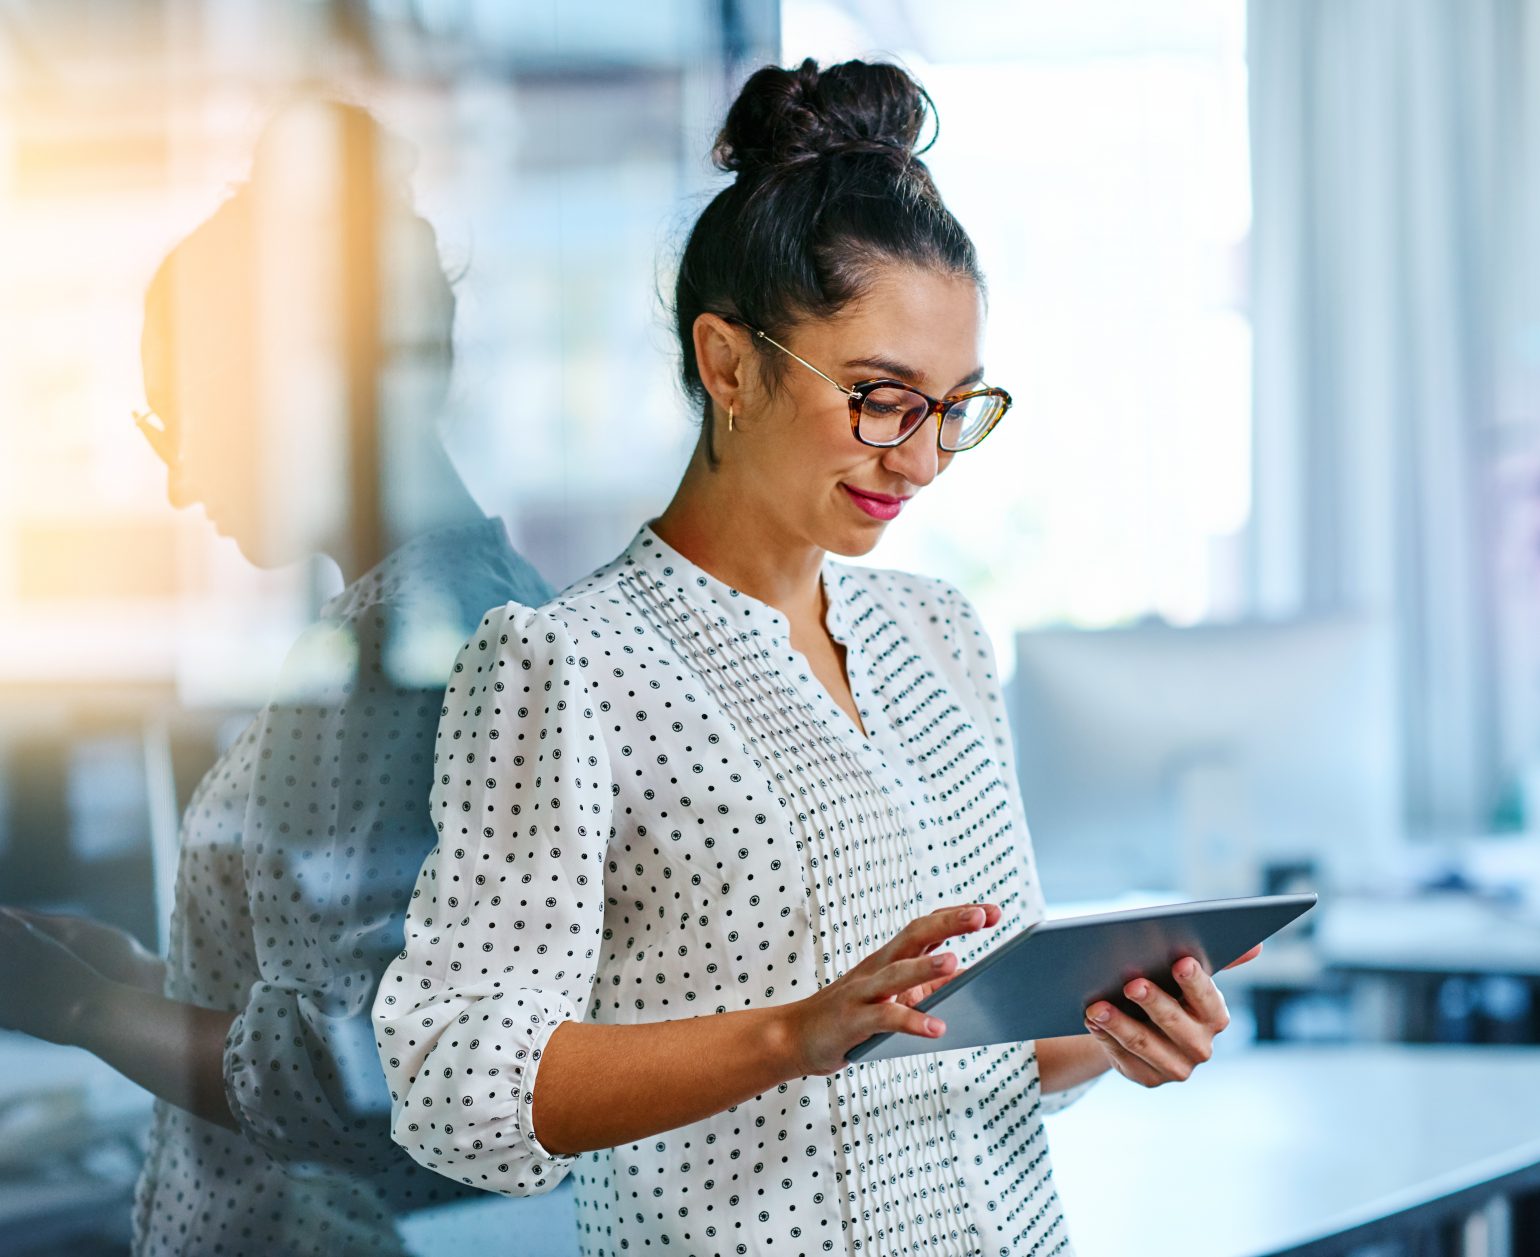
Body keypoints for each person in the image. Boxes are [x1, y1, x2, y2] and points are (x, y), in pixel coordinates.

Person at [372, 58, 1255, 1257]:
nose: (922, 460)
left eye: (954, 409)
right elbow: (454, 1083)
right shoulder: (563, 666)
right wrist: (790, 1035)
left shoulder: (933, 634)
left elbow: (971, 1044)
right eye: (880, 398)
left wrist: (1115, 1027)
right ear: (728, 363)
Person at [0, 99, 551, 1255]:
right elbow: (343, 1000)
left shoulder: (391, 662)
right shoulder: (485, 598)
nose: (178, 482)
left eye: (178, 421)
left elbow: (361, 1083)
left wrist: (81, 1009)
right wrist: (147, 977)